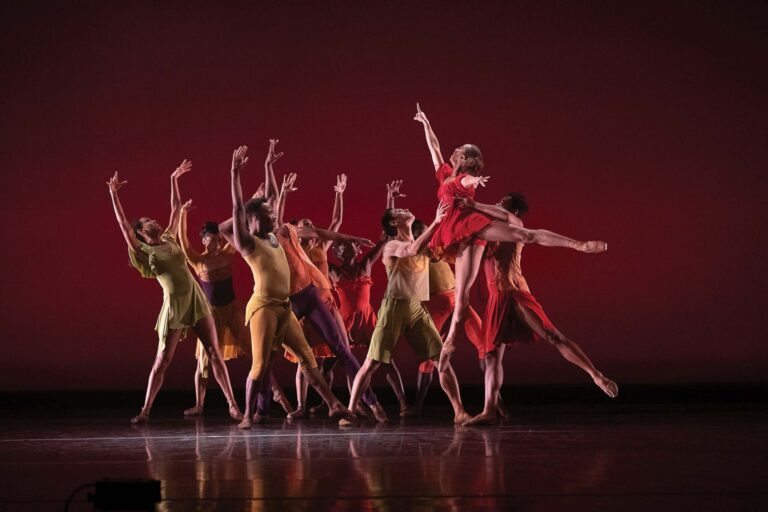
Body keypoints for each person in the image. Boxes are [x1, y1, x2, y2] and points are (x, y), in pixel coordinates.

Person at [413, 103, 608, 370]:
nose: (453, 150)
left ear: (466, 160)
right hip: (453, 229)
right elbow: (434, 148)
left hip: (470, 223)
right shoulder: (446, 174)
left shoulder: (463, 179)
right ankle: (450, 343)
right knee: (462, 297)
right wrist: (426, 123)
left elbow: (467, 182)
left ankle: (578, 245)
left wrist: (475, 182)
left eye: (459, 150)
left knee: (522, 234)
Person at [220, 145, 355, 428]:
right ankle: (247, 415)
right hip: (263, 309)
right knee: (260, 366)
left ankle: (333, 404)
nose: (274, 215)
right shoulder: (249, 243)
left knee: (307, 357)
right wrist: (235, 174)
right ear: (253, 220)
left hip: (284, 307)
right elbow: (236, 210)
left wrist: (269, 166)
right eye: (268, 213)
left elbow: (270, 196)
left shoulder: (275, 237)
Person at [462, 193, 618, 426]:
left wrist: (578, 245)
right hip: (497, 296)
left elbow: (536, 235)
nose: (496, 203)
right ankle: (490, 408)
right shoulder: (489, 229)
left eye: (503, 201)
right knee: (491, 357)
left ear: (513, 211)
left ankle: (596, 376)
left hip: (513, 291)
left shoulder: (514, 224)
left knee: (552, 335)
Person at [106, 161, 241, 424]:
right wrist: (113, 194)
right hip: (175, 306)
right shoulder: (145, 252)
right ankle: (146, 409)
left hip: (196, 299)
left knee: (214, 351)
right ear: (142, 233)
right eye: (148, 222)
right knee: (164, 359)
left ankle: (233, 406)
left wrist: (173, 179)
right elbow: (123, 224)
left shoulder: (168, 238)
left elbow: (176, 207)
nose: (154, 221)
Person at [263, 142, 389, 422]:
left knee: (341, 349)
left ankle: (370, 401)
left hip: (320, 297)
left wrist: (349, 225)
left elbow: (331, 224)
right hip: (292, 302)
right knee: (287, 357)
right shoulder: (275, 239)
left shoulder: (306, 238)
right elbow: (277, 212)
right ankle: (271, 406)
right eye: (302, 223)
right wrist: (277, 186)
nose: (305, 226)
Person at [340, 201, 471, 425]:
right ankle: (350, 412)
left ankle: (459, 411)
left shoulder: (421, 242)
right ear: (394, 222)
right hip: (393, 308)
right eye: (399, 211)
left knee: (442, 359)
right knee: (372, 363)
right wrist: (437, 222)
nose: (407, 209)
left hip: (415, 308)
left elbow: (439, 250)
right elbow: (411, 250)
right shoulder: (392, 245)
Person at [177, 203, 293, 417]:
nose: (217, 242)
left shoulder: (226, 253)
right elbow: (183, 241)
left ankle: (279, 397)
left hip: (232, 310)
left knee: (256, 352)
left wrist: (255, 200)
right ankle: (199, 404)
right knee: (203, 360)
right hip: (211, 314)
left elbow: (239, 228)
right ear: (204, 240)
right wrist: (183, 214)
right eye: (212, 239)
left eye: (218, 239)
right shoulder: (198, 260)